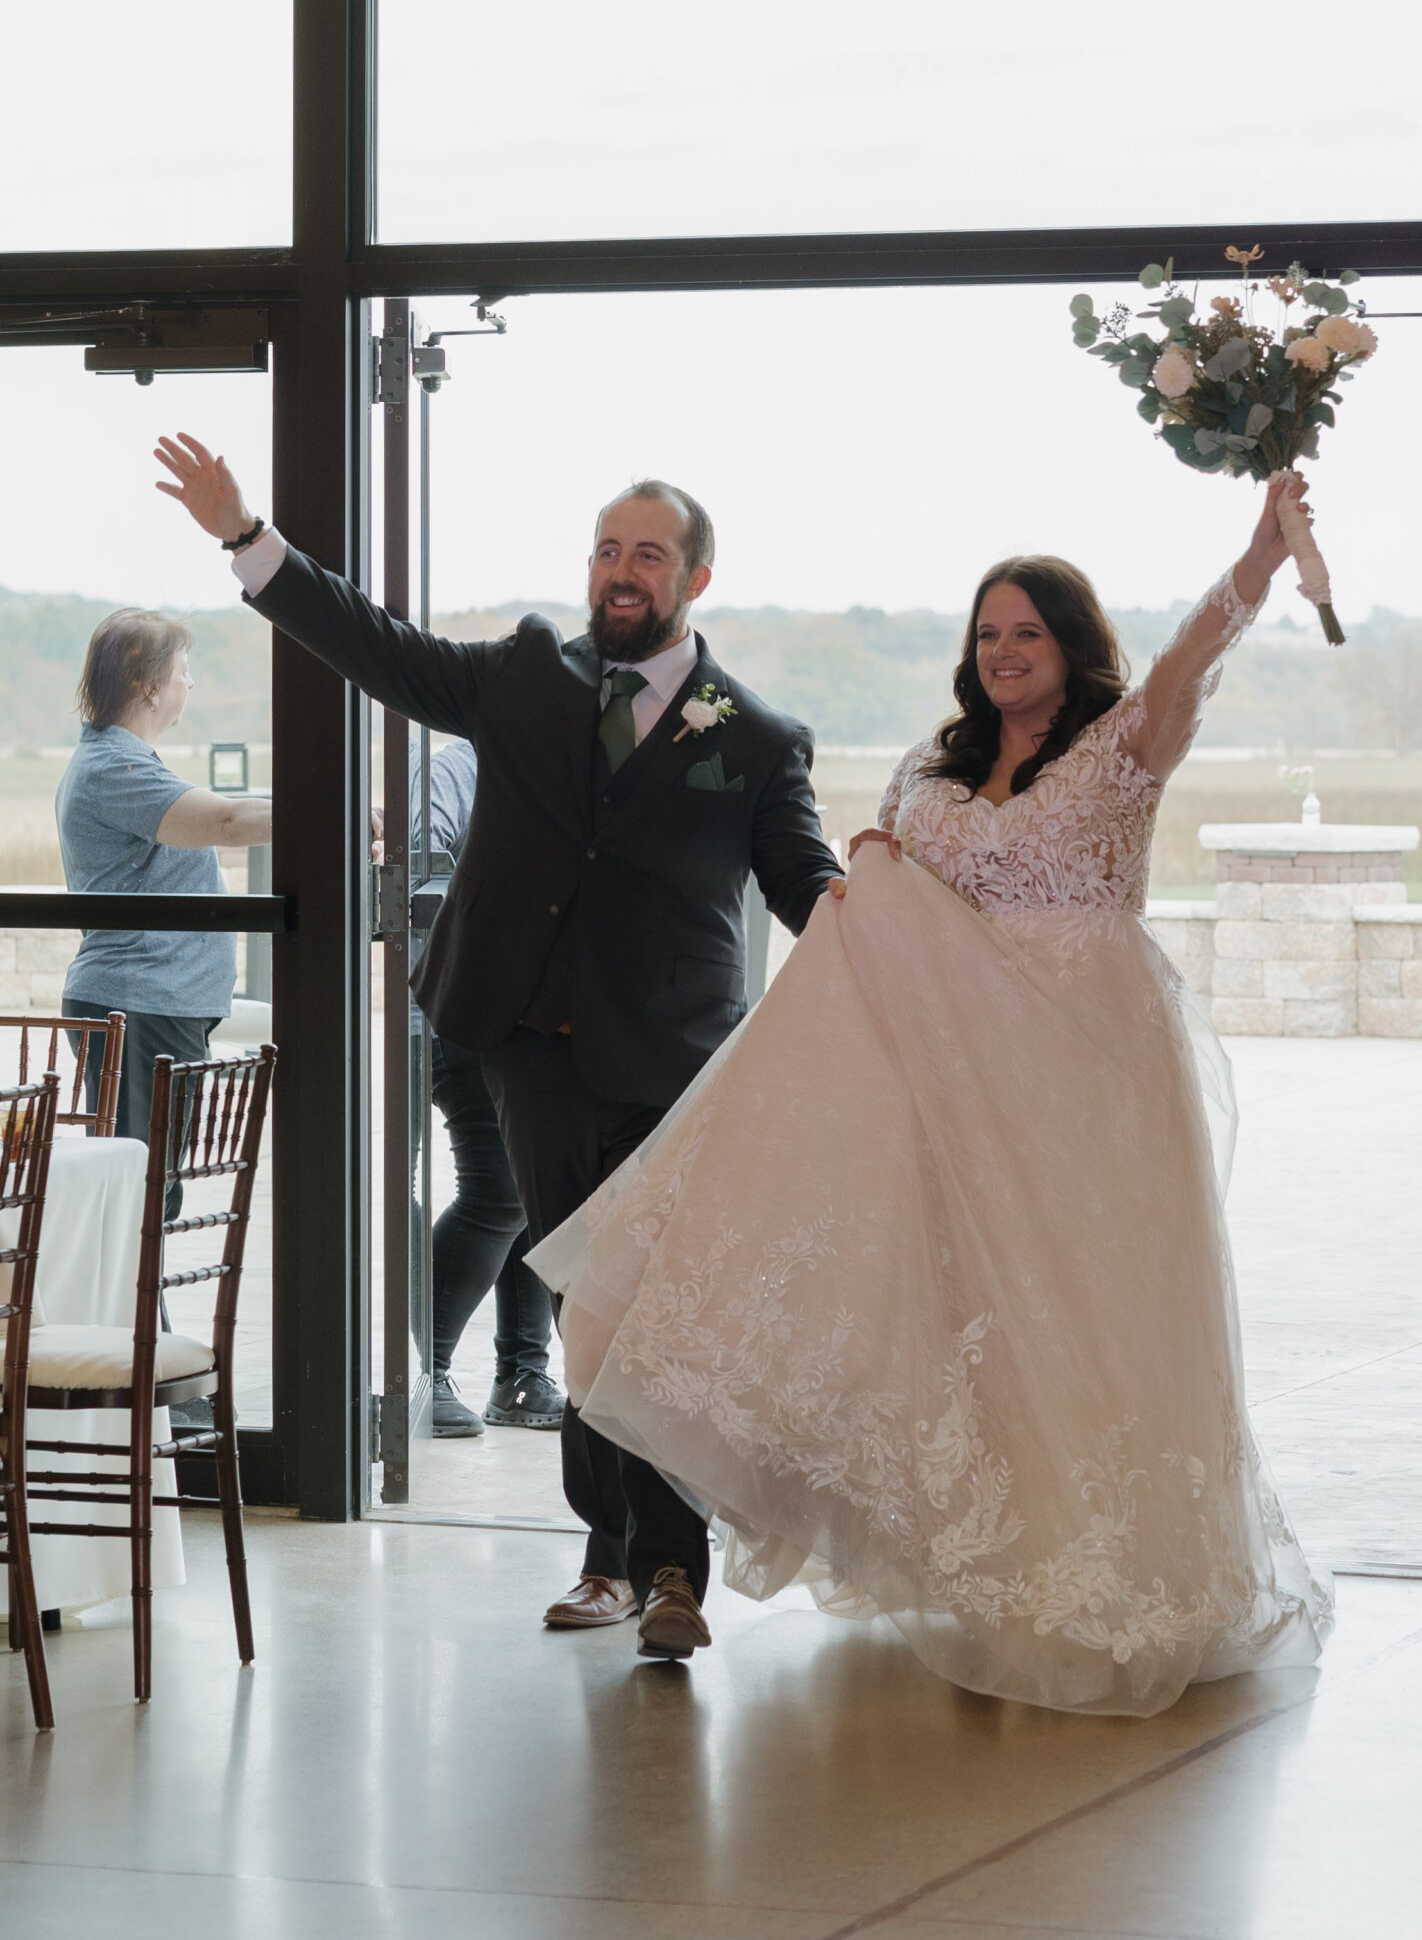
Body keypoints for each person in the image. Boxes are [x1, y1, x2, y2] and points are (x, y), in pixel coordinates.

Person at [530, 474, 1335, 1715]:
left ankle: (1109, 1571)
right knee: (968, 1321)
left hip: (1088, 1084)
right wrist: (870, 875)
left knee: (1084, 1319)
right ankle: (986, 1566)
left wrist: (1259, 560)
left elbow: (1191, 660)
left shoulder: (1123, 748)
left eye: (1028, 631)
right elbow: (879, 895)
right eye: (987, 632)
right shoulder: (932, 762)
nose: (1004, 651)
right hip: (953, 1091)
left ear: (1072, 645)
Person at [152, 431, 840, 1659]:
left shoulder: (757, 736)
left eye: (649, 553)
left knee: (658, 1314)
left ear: (696, 578)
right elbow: (380, 648)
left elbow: (802, 880)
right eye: (608, 548)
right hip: (534, 1051)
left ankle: (661, 1568)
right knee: (591, 1309)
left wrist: (877, 919)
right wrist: (249, 539)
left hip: (676, 1065)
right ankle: (613, 1558)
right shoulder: (527, 674)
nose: (621, 570)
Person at [58, 609, 271, 1172]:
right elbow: (226, 822)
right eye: (184, 670)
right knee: (143, 1189)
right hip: (139, 1002)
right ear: (149, 686)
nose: (191, 683)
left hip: (151, 1003)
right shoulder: (116, 769)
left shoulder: (120, 762)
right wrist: (339, 817)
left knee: (151, 1185)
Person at [410, 736, 566, 1439]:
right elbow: (421, 864)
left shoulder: (555, 767)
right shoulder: (458, 767)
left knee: (534, 1192)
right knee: (499, 1191)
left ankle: (522, 1375)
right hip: (461, 1007)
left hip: (535, 1015)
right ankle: (425, 1375)